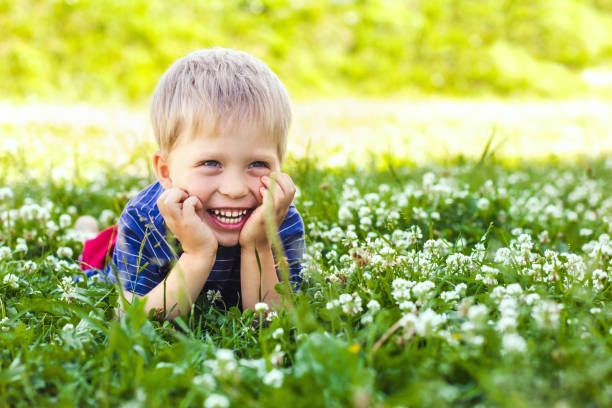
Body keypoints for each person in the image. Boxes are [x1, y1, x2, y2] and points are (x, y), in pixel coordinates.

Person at [79, 48, 305, 319]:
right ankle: (85, 232)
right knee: (92, 260)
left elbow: (271, 320)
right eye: (211, 163)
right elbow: (131, 315)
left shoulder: (281, 219)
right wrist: (198, 254)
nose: (234, 189)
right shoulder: (144, 218)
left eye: (258, 164)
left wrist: (258, 244)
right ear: (165, 171)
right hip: (120, 258)